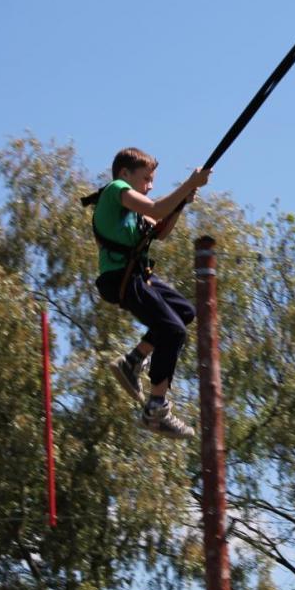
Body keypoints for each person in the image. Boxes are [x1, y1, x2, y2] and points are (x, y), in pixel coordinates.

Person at [89, 147, 212, 439]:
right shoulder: (116, 190)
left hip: (136, 276)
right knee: (173, 331)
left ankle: (133, 361)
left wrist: (181, 202)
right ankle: (156, 409)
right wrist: (188, 185)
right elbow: (156, 209)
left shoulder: (133, 213)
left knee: (184, 312)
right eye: (146, 179)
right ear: (124, 174)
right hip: (120, 278)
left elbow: (160, 230)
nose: (150, 186)